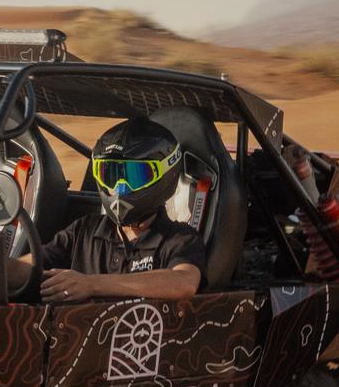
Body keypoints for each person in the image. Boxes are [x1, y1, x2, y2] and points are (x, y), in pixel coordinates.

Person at [18, 117, 203, 303]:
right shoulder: (85, 230)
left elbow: (184, 282)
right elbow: (30, 267)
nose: (120, 188)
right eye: (111, 175)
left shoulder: (180, 239)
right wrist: (2, 269)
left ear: (165, 175)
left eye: (135, 176)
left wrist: (91, 284)